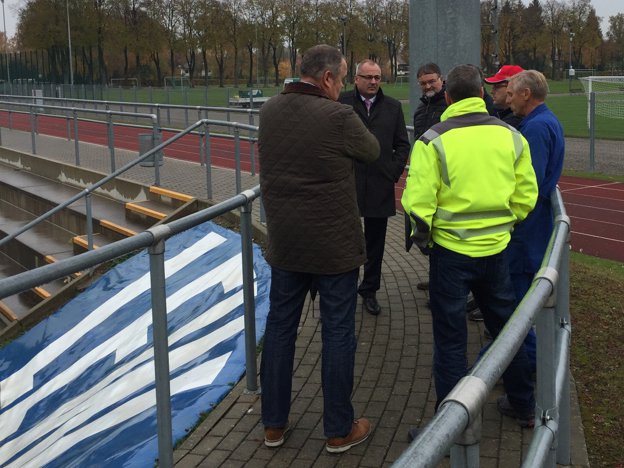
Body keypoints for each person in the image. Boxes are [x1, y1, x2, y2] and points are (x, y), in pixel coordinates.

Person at [401, 64, 538, 439]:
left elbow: (417, 203)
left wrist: (424, 238)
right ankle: (525, 405)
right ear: (481, 94)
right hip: (496, 251)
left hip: (451, 254)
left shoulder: (432, 140)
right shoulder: (511, 136)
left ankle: (450, 431)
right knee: (506, 331)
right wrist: (503, 226)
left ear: (447, 97)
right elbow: (527, 196)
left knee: (450, 340)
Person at [258, 44, 380, 453]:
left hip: (286, 244)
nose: (343, 86)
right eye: (343, 79)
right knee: (338, 333)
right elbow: (372, 151)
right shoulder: (340, 116)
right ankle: (338, 429)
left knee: (279, 329)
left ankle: (273, 424)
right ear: (328, 78)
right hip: (334, 248)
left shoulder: (269, 110)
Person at [497, 69, 565, 385]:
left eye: (511, 93)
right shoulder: (542, 122)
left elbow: (531, 185)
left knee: (516, 310)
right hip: (532, 231)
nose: (508, 99)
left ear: (527, 94)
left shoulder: (536, 128)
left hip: (527, 233)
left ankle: (514, 366)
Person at [339, 59, 410, 315]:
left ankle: (369, 290)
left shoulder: (392, 107)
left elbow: (403, 144)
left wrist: (392, 172)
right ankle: (344, 290)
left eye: (377, 77)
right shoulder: (341, 103)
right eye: (368, 77)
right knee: (346, 241)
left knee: (376, 243)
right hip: (347, 185)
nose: (373, 82)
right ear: (356, 78)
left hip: (380, 185)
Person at [484, 64, 525, 129]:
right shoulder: (502, 113)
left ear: (512, 87)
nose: (492, 91)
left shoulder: (515, 121)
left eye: (497, 87)